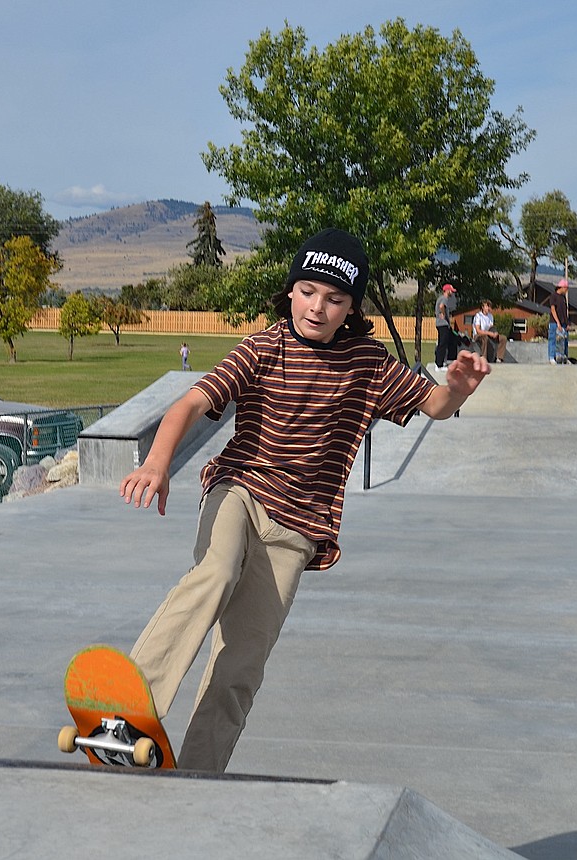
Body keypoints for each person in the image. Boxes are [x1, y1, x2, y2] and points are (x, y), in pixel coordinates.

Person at [119, 228, 491, 772]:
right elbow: (189, 404)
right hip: (239, 493)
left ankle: (198, 772)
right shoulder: (264, 346)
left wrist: (457, 387)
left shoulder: (367, 361)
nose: (318, 308)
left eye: (335, 299)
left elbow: (433, 404)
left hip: (297, 530)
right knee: (216, 574)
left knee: (243, 661)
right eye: (308, 292)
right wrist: (156, 463)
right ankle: (128, 708)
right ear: (290, 291)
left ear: (351, 308)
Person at [472, 300, 507, 364]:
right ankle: (484, 358)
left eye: (489, 307)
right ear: (482, 307)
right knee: (485, 338)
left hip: (488, 334)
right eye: (487, 306)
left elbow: (491, 327)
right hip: (478, 335)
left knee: (503, 338)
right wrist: (489, 333)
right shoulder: (478, 316)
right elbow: (478, 330)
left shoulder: (490, 316)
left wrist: (495, 333)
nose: (488, 308)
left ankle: (499, 358)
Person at [433, 283, 460, 367]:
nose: (452, 293)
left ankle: (441, 361)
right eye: (451, 291)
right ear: (447, 291)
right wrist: (443, 314)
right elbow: (441, 306)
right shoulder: (444, 298)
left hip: (442, 324)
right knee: (443, 344)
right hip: (442, 324)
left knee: (446, 342)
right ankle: (439, 364)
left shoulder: (441, 298)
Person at [548, 278, 569, 364]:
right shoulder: (553, 296)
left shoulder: (563, 298)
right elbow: (553, 310)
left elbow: (564, 311)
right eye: (566, 288)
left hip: (563, 323)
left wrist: (566, 323)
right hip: (554, 323)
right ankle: (551, 357)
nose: (567, 290)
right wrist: (558, 322)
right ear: (562, 287)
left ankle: (564, 357)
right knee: (553, 339)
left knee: (564, 341)